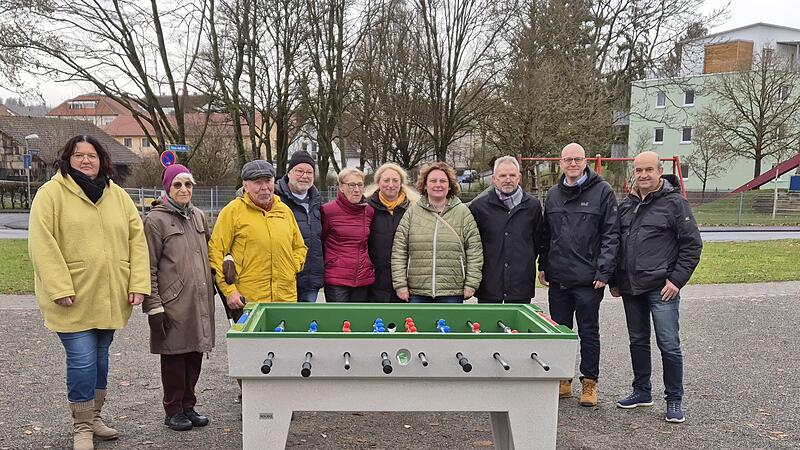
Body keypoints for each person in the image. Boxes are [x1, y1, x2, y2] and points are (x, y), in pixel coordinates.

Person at [28, 135, 150, 450]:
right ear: (67, 159)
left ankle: (94, 417)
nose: (86, 160)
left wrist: (138, 283)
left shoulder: (118, 195)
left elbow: (136, 240)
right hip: (72, 296)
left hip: (110, 294)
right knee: (82, 360)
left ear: (101, 160)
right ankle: (81, 426)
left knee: (100, 359)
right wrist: (58, 286)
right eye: (79, 155)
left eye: (92, 155)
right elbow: (41, 244)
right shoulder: (51, 194)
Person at [610, 151, 702, 423]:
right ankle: (641, 391)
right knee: (638, 341)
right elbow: (616, 245)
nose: (643, 175)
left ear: (660, 171)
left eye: (649, 169)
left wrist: (676, 280)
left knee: (669, 345)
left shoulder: (675, 204)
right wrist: (615, 280)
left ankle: (674, 399)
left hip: (662, 288)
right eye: (638, 170)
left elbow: (692, 245)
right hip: (631, 288)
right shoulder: (626, 205)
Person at [538, 142, 619, 407]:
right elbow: (547, 234)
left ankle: (589, 382)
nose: (572, 163)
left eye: (577, 159)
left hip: (589, 279)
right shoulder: (553, 194)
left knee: (588, 331)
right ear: (561, 163)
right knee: (561, 332)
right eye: (568, 159)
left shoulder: (603, 192)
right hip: (559, 277)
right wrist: (543, 265)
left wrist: (604, 271)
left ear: (585, 162)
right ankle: (563, 379)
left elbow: (610, 234)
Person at [143, 164, 215, 432]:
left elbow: (210, 251)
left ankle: (188, 405)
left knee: (195, 351)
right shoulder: (156, 220)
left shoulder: (198, 216)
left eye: (188, 184)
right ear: (168, 188)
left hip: (199, 299)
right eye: (178, 185)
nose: (184, 189)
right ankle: (173, 409)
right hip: (172, 301)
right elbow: (148, 265)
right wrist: (154, 306)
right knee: (174, 355)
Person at [208, 160, 307, 307]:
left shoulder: (285, 211)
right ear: (245, 186)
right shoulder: (233, 211)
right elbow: (215, 252)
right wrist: (229, 291)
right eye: (257, 182)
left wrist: (291, 266)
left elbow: (299, 247)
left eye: (268, 181)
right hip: (249, 300)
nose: (264, 187)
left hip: (285, 298)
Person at [391, 161, 483, 303]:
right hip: (417, 291)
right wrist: (400, 285)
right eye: (433, 181)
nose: (438, 185)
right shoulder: (412, 213)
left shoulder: (463, 213)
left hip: (452, 291)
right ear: (425, 185)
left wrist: (471, 283)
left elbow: (474, 250)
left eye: (443, 181)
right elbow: (399, 250)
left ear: (450, 185)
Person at [469, 156, 543, 304]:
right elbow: (473, 246)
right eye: (502, 175)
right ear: (494, 178)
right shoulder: (478, 207)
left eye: (512, 175)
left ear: (519, 177)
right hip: (489, 286)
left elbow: (537, 242)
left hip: (520, 285)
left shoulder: (532, 206)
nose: (508, 179)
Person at [274, 151, 324, 302]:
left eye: (309, 172)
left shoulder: (318, 203)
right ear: (289, 173)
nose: (304, 176)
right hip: (282, 280)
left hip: (310, 281)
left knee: (306, 317)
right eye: (299, 171)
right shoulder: (274, 200)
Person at [366, 163, 419, 302]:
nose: (391, 185)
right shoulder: (366, 207)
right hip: (374, 280)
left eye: (395, 180)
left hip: (405, 280)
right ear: (378, 182)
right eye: (386, 180)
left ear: (401, 183)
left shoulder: (413, 208)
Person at [321, 168, 375, 302]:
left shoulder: (369, 211)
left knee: (358, 315)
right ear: (341, 187)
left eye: (360, 185)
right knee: (339, 316)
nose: (356, 189)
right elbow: (320, 241)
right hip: (337, 279)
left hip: (362, 277)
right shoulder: (328, 211)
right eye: (351, 185)